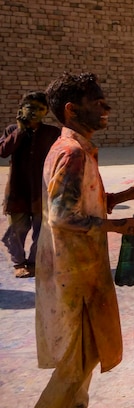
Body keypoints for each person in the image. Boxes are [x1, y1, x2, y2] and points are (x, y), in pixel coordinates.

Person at [32, 72, 134, 408]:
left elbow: (83, 203)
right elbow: (61, 216)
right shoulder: (71, 153)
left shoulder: (77, 149)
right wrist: (119, 226)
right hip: (71, 271)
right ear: (72, 110)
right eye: (98, 102)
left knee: (87, 351)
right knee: (77, 360)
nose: (107, 107)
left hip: (80, 267)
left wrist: (123, 195)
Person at [0, 92, 60, 278]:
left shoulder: (52, 133)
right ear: (21, 109)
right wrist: (20, 129)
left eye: (40, 109)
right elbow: (3, 151)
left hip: (42, 190)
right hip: (19, 189)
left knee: (42, 229)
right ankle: (19, 262)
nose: (35, 112)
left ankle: (35, 261)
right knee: (17, 229)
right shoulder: (12, 131)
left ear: (46, 112)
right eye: (31, 107)